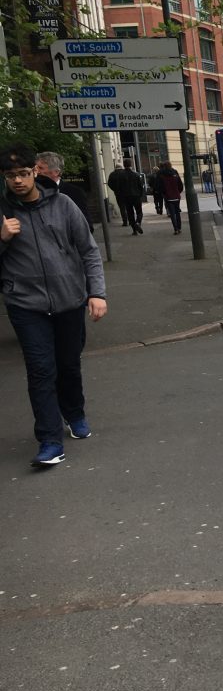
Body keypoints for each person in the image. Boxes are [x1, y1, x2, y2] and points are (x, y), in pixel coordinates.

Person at [0, 144, 107, 467]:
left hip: (69, 300)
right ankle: (49, 439)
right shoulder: (3, 213)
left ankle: (74, 413)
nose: (17, 181)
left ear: (35, 172)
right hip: (25, 305)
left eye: (22, 174)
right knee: (40, 371)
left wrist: (97, 293)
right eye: (10, 176)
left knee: (68, 365)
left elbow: (88, 251)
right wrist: (2, 238)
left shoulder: (63, 205)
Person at [35, 151, 90, 229]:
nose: (36, 171)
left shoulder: (74, 192)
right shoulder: (32, 191)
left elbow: (86, 226)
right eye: (35, 168)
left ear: (56, 172)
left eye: (40, 168)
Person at [106, 158, 143, 234]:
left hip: (126, 196)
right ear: (131, 165)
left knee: (130, 213)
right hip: (136, 196)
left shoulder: (120, 175)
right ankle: (138, 222)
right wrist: (140, 195)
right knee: (139, 212)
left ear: (124, 165)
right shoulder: (136, 174)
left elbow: (118, 186)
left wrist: (119, 193)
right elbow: (140, 186)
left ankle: (134, 230)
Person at [158, 160, 185, 234]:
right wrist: (178, 192)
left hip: (168, 197)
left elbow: (161, 187)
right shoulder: (175, 173)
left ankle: (175, 229)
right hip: (176, 196)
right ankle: (179, 228)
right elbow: (180, 185)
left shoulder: (162, 175)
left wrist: (165, 193)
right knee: (177, 213)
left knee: (172, 214)